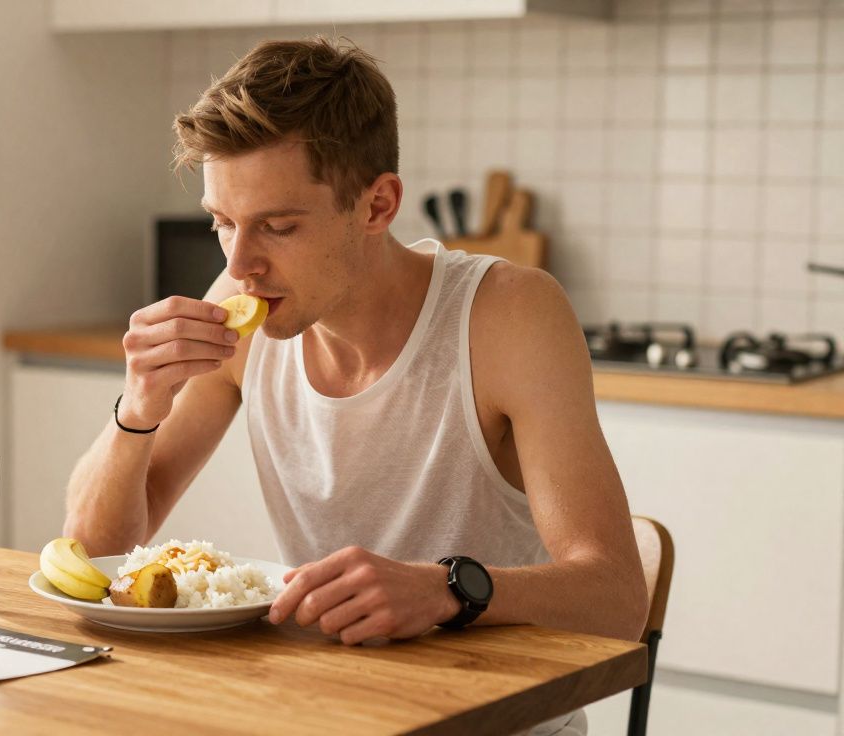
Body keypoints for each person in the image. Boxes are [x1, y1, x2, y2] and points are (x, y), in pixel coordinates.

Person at [64, 36, 647, 735]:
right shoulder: (245, 308)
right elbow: (93, 549)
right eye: (223, 224)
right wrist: (138, 408)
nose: (241, 264)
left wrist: (445, 588)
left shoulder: (508, 315)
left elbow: (617, 596)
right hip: (330, 712)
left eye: (277, 227)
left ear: (377, 205)